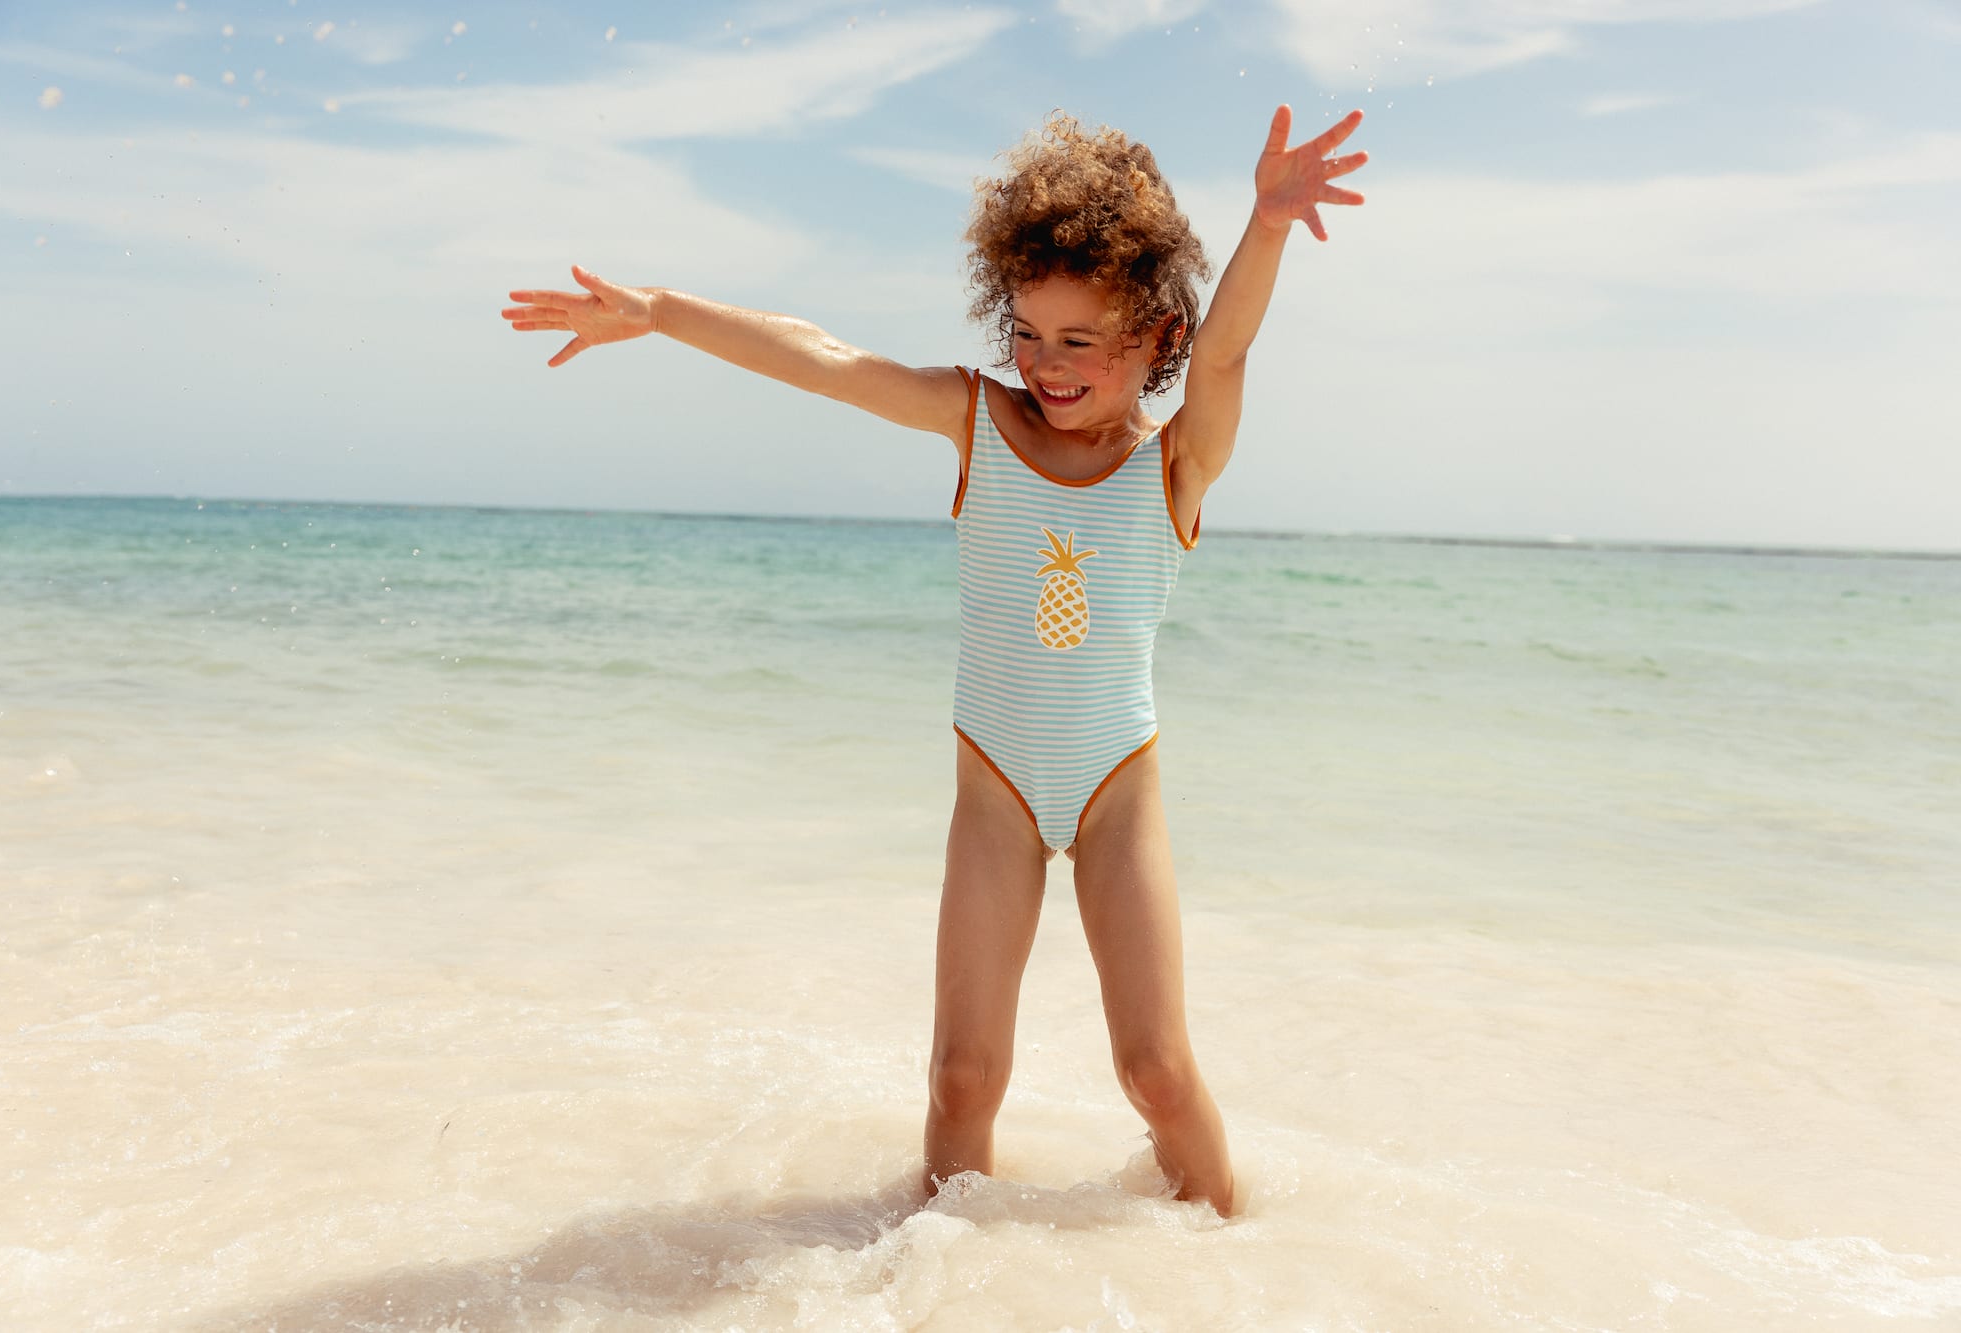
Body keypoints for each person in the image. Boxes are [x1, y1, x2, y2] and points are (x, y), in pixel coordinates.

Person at [501, 105, 1366, 1216]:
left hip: (1115, 795)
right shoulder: (976, 425)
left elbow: (1233, 345)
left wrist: (1269, 222)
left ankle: (1231, 1267)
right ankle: (935, 1281)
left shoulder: (1176, 467)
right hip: (994, 793)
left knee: (1153, 1069)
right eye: (1027, 331)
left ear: (1153, 336)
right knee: (962, 1076)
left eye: (1078, 339)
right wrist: (662, 312)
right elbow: (823, 360)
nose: (1044, 366)